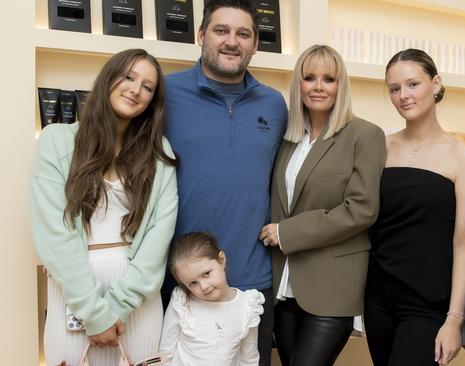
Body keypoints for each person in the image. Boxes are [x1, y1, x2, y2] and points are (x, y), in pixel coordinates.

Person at [29, 48, 178, 365]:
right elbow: (55, 233)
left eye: (148, 87)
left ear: (153, 100)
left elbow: (158, 236)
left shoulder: (159, 153)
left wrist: (118, 307)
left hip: (138, 295)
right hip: (74, 290)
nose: (136, 89)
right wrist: (94, 314)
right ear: (108, 78)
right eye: (128, 76)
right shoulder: (56, 141)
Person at [163, 1, 287, 364]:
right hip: (184, 281)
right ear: (201, 35)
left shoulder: (275, 104)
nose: (232, 41)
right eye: (221, 30)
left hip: (251, 280)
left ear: (255, 45)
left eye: (243, 33)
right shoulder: (166, 95)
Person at [257, 44, 386, 366]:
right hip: (283, 282)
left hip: (333, 285)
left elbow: (362, 209)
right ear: (297, 84)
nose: (318, 86)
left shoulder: (365, 135)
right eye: (309, 77)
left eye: (328, 79)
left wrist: (287, 232)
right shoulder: (287, 138)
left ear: (340, 86)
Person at [363, 48, 465, 366]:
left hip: (428, 301)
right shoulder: (380, 147)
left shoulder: (463, 157)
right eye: (394, 88)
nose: (403, 95)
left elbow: (463, 242)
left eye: (413, 84)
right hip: (377, 297)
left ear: (436, 84)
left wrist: (455, 318)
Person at [160, 232, 265, 365]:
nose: (203, 287)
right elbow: (165, 355)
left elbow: (249, 359)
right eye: (193, 283)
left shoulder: (247, 306)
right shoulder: (182, 302)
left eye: (206, 274)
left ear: (221, 260)